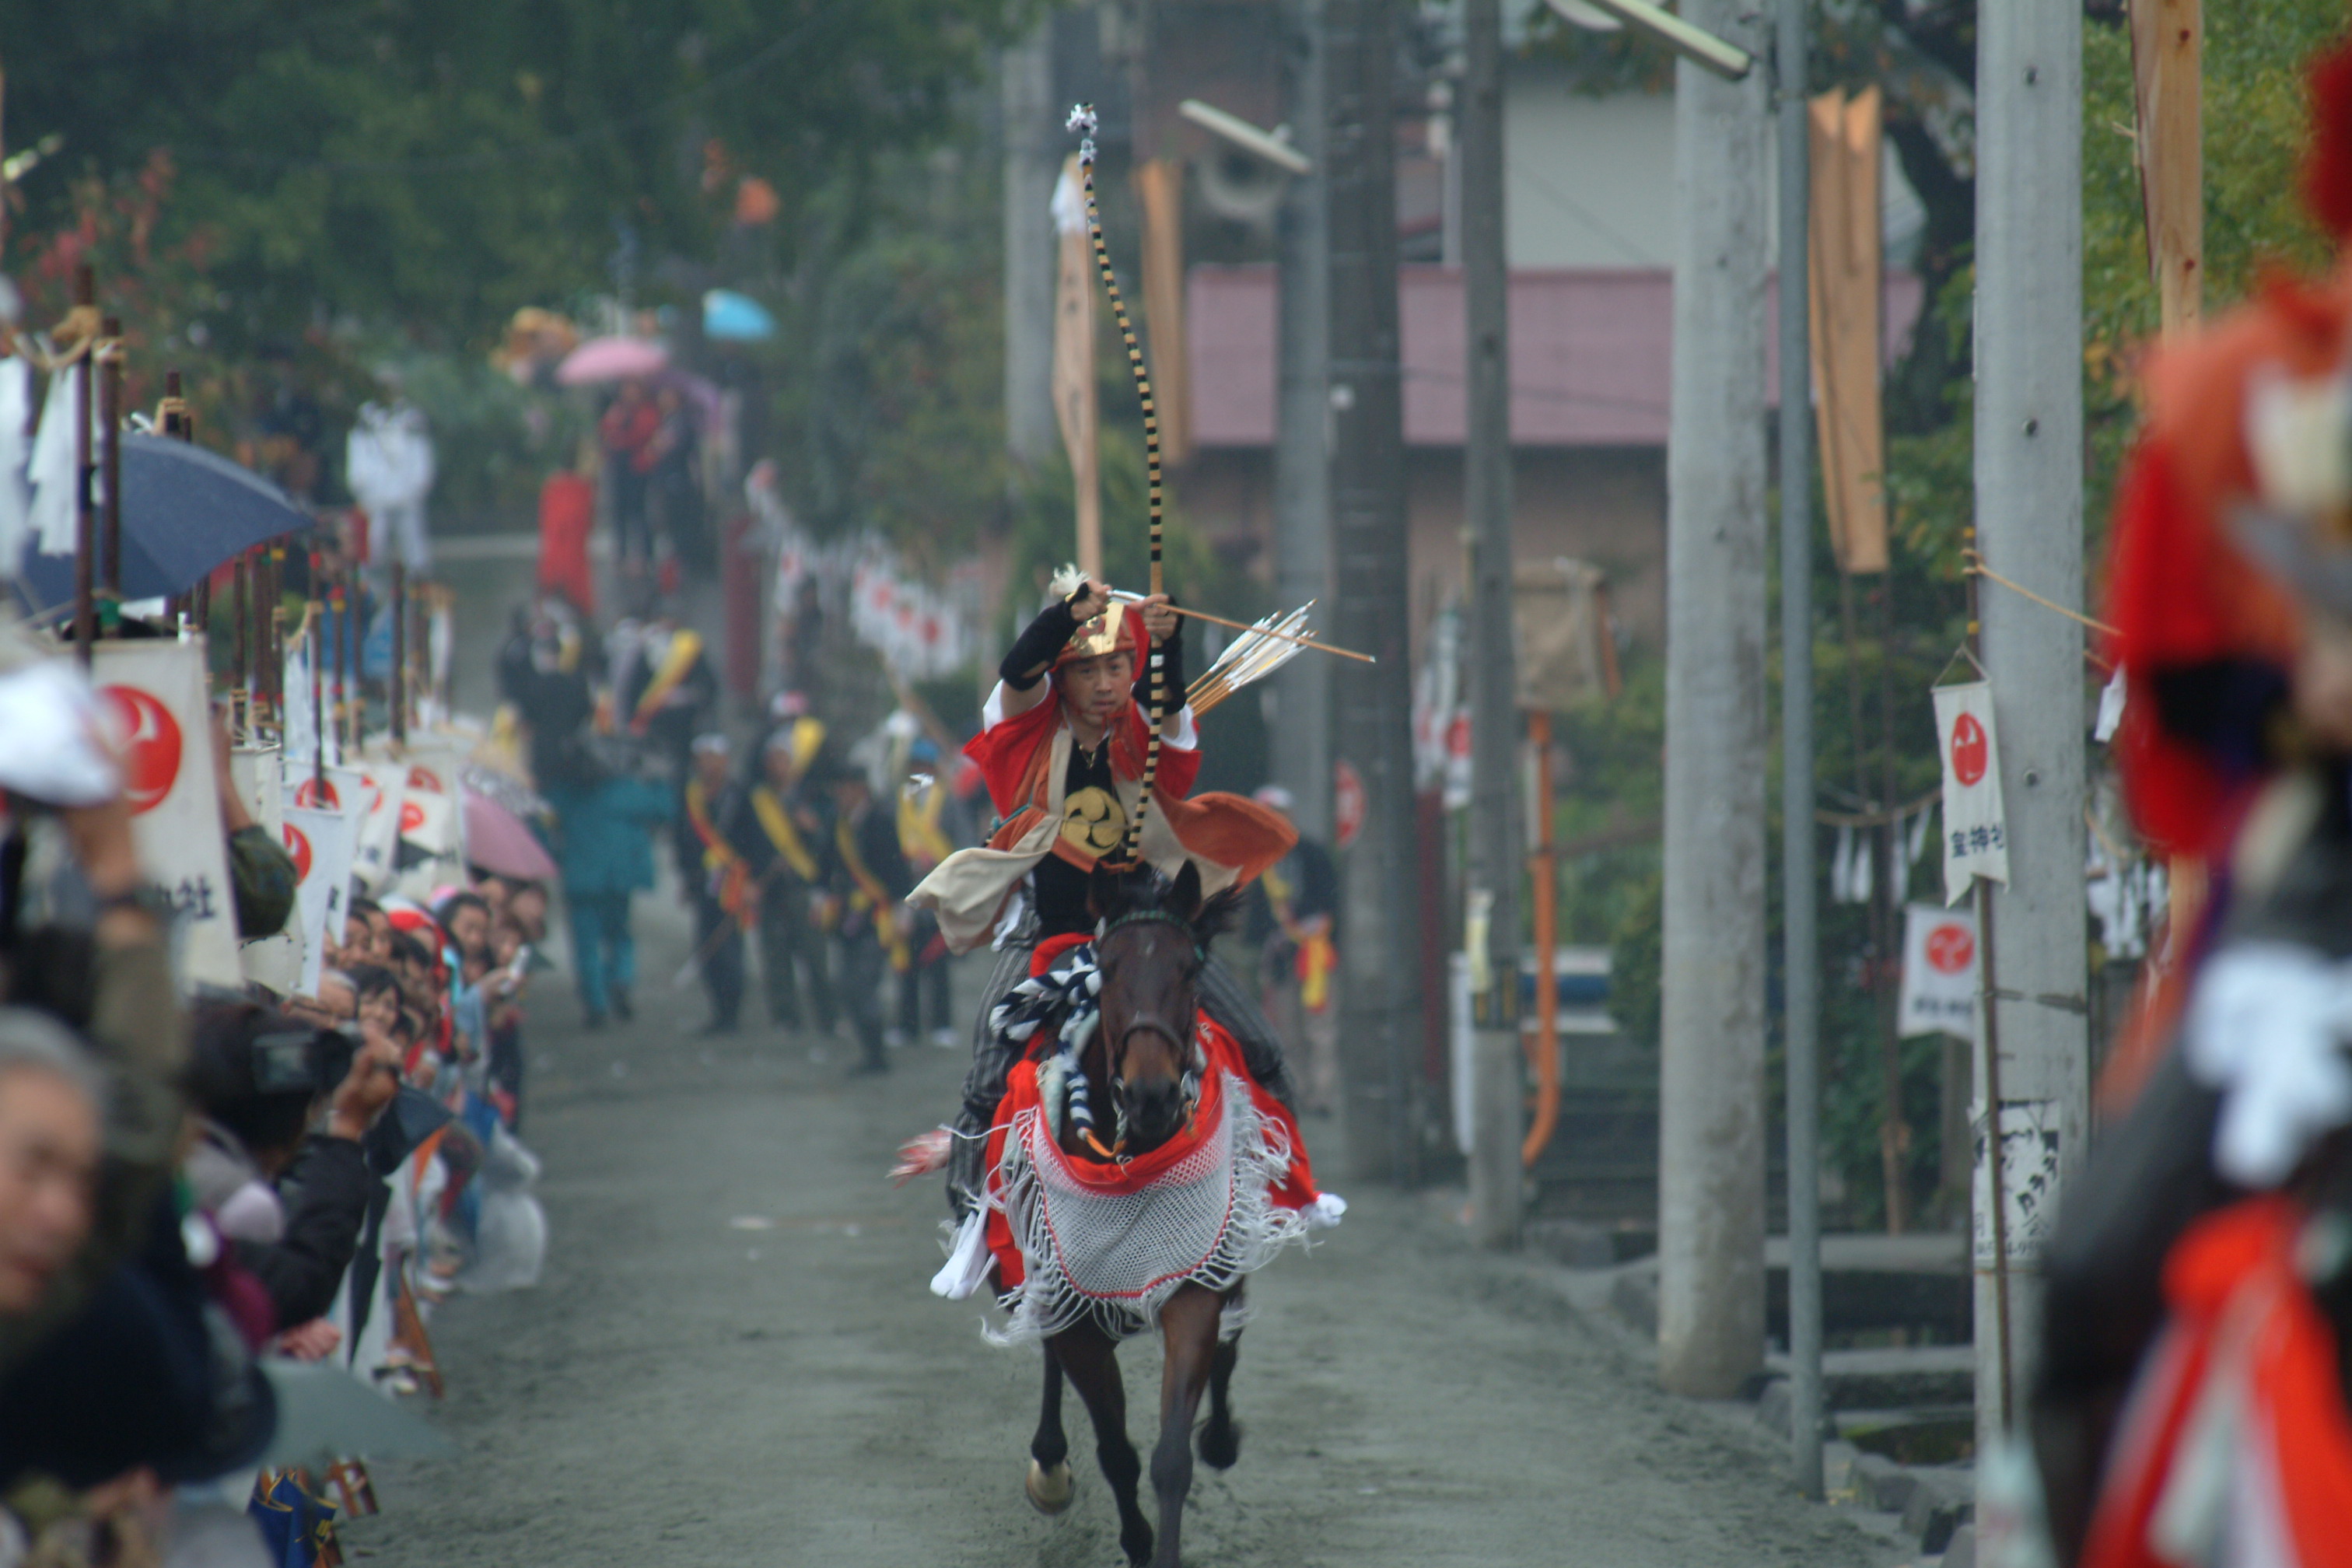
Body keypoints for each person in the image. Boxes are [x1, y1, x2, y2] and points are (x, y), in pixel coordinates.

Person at [908, 572, 1299, 1216]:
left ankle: (1273, 1189)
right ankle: (974, 1198)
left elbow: (1168, 707)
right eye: (1087, 673)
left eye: (1118, 667)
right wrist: (1066, 617)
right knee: (990, 1045)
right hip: (1051, 930)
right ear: (1061, 681)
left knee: (1260, 1043)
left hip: (1148, 931)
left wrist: (1171, 645)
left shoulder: (1143, 736)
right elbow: (1017, 669)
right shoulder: (1027, 732)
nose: (1106, 685)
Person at [540, 762, 673, 1030]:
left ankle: (595, 1003)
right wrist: (659, 781)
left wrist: (554, 857)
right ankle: (621, 981)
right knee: (620, 937)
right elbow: (664, 809)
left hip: (580, 880)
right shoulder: (625, 790)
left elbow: (541, 821)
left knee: (586, 946)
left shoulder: (563, 794)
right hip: (617, 879)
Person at [726, 722, 837, 1034]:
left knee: (815, 957)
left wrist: (812, 829)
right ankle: (786, 1017)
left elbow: (829, 845)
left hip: (803, 887)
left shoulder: (811, 796)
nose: (779, 766)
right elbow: (740, 843)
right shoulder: (754, 799)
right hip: (768, 889)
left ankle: (828, 1017)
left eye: (784, 759)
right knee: (775, 958)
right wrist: (746, 881)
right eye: (773, 759)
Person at [1244, 784, 1341, 1117]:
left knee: (1320, 1031)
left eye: (1276, 814)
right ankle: (1296, 1093)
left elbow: (1331, 903)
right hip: (1280, 962)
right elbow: (1253, 920)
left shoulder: (1312, 853)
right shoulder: (1257, 862)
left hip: (1313, 958)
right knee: (1286, 1032)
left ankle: (1323, 1095)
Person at [817, 760, 914, 1076]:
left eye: (845, 788)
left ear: (860, 789)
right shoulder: (837, 823)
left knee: (863, 984)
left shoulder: (881, 821)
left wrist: (902, 911)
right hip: (846, 916)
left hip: (876, 915)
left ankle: (876, 1054)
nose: (840, 795)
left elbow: (898, 872)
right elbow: (826, 865)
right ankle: (869, 1050)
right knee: (844, 983)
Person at [681, 733, 749, 1035]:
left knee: (729, 949)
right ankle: (718, 1011)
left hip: (733, 883)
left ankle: (732, 1013)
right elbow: (682, 840)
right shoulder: (691, 797)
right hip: (702, 884)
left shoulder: (740, 795)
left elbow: (754, 840)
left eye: (714, 757)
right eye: (703, 758)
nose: (708, 765)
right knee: (706, 947)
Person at [896, 737, 957, 1047]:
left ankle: (942, 1024)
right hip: (907, 891)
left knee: (937, 963)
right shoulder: (900, 802)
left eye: (925, 767)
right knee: (905, 962)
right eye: (915, 767)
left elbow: (962, 844)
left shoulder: (947, 802)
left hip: (939, 892)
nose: (920, 772)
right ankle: (907, 1025)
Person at [598, 380, 660, 576]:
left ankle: (645, 555)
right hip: (619, 464)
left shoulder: (647, 411)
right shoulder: (617, 410)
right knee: (619, 510)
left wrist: (627, 426)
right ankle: (621, 552)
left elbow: (645, 432)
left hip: (637, 466)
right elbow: (607, 430)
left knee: (638, 511)